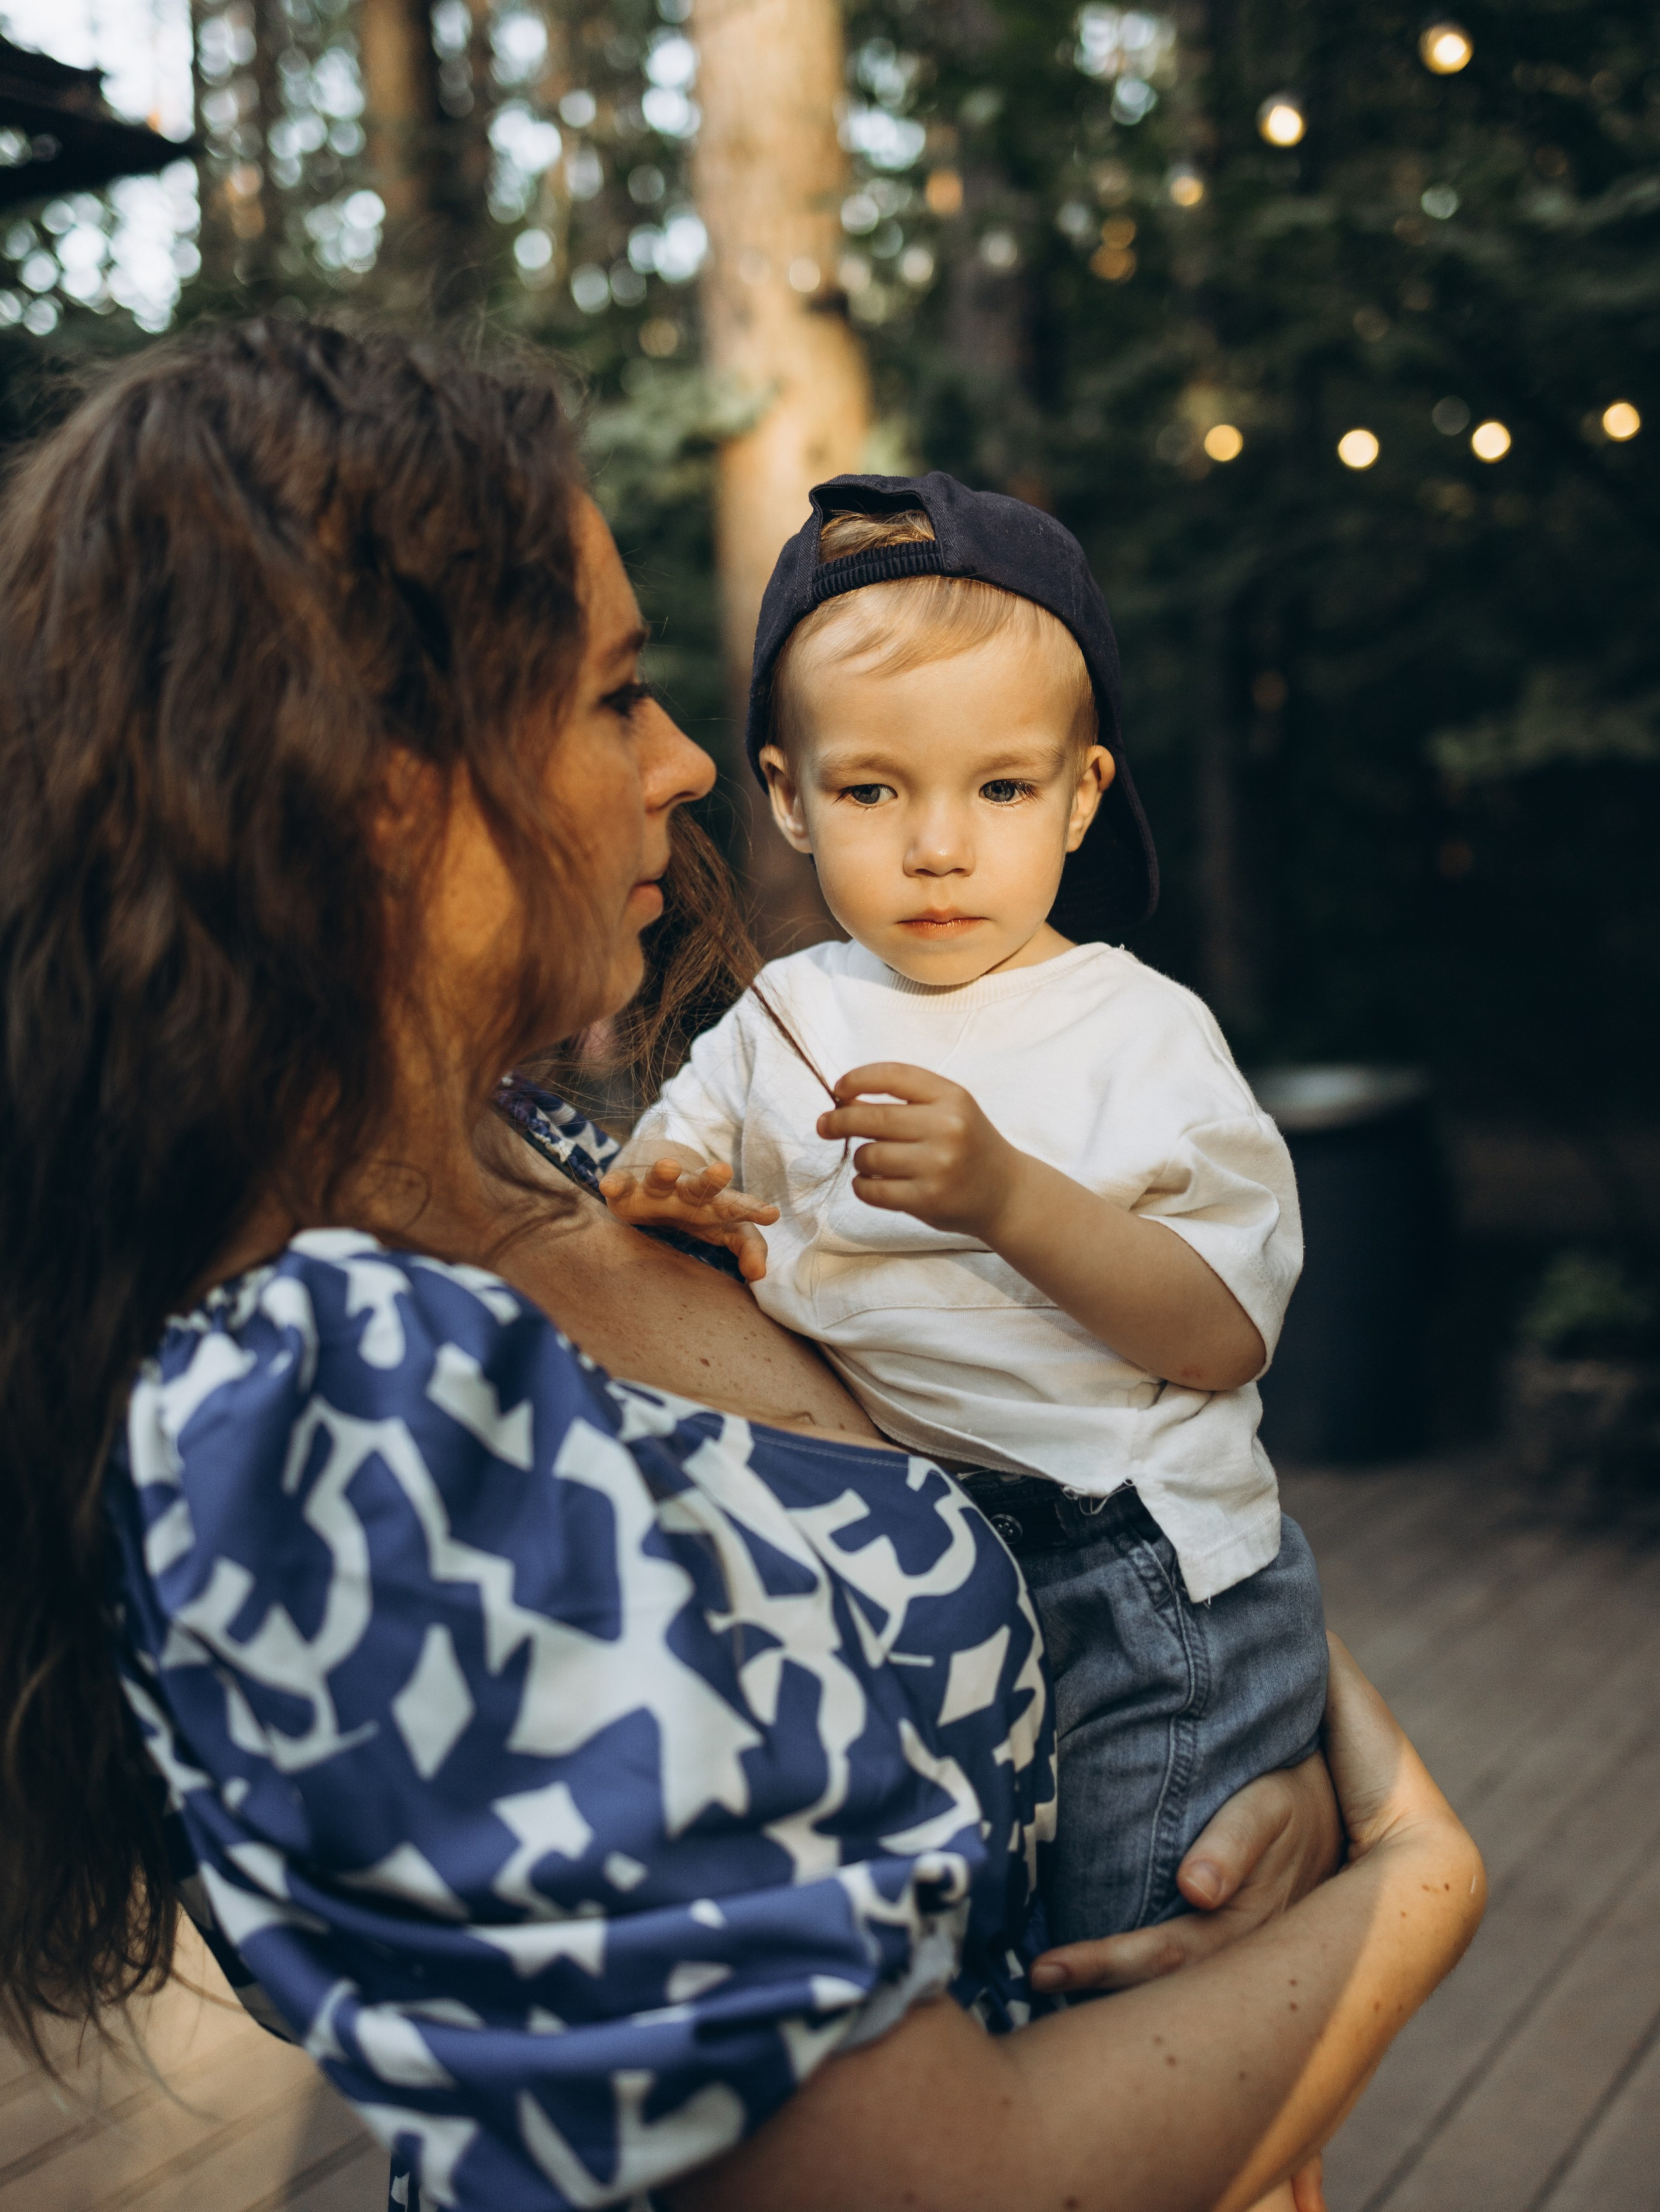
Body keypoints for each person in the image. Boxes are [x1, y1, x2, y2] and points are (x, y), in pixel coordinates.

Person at [0, 322, 1482, 2212]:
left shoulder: (555, 1164)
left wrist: (1255, 1764)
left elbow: (1056, 1433)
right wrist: (1412, 1875)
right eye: (617, 694)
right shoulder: (326, 1403)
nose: (690, 761)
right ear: (373, 779)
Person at [602, 475, 1327, 1944]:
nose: (938, 845)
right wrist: (671, 1194)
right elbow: (661, 1172)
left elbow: (1221, 1336)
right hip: (920, 1567)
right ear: (789, 796)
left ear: (1081, 794)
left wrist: (1008, 1197)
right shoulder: (781, 1017)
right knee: (968, 1939)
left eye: (1000, 789)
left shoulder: (1137, 1029)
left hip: (1133, 1571)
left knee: (1121, 1936)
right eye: (872, 791)